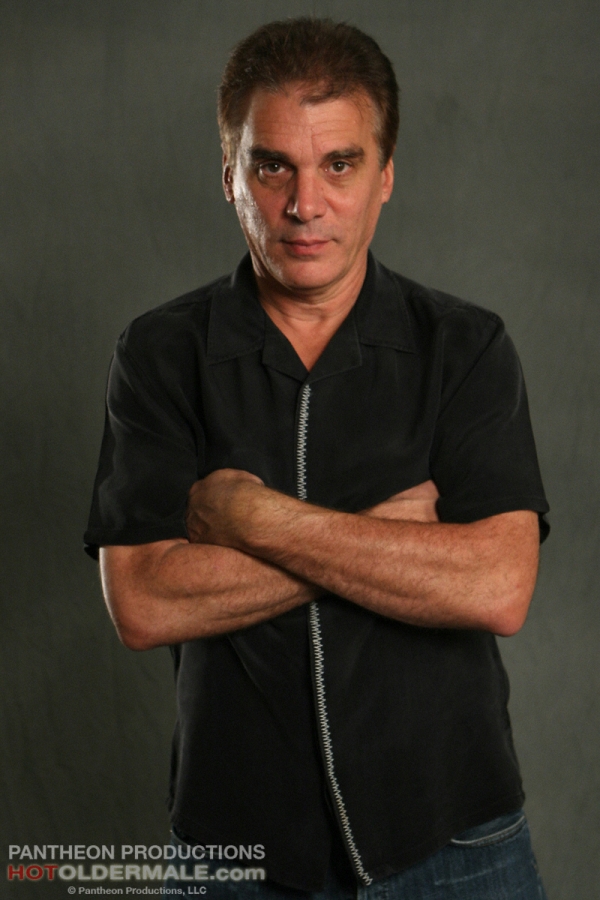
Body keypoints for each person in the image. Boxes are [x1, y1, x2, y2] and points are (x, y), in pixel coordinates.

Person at [85, 17, 550, 899]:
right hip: (237, 854)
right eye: (273, 167)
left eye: (340, 164)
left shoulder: (465, 346)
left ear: (385, 176)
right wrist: (387, 541)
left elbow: (497, 586)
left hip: (456, 842)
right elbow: (142, 602)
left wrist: (251, 518)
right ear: (229, 174)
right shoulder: (160, 354)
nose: (306, 204)